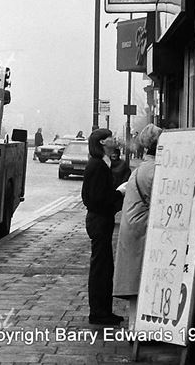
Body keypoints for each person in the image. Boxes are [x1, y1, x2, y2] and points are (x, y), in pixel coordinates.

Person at [113, 124, 163, 329]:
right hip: (142, 231)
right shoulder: (154, 170)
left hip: (134, 228)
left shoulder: (143, 167)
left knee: (136, 282)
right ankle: (139, 329)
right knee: (142, 282)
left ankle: (135, 328)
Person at [81, 128, 124, 325]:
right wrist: (119, 194)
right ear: (102, 143)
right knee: (101, 267)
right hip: (99, 220)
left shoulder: (100, 164)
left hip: (99, 219)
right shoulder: (98, 166)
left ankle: (102, 310)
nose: (114, 140)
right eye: (110, 138)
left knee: (104, 266)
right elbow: (97, 199)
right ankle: (98, 312)